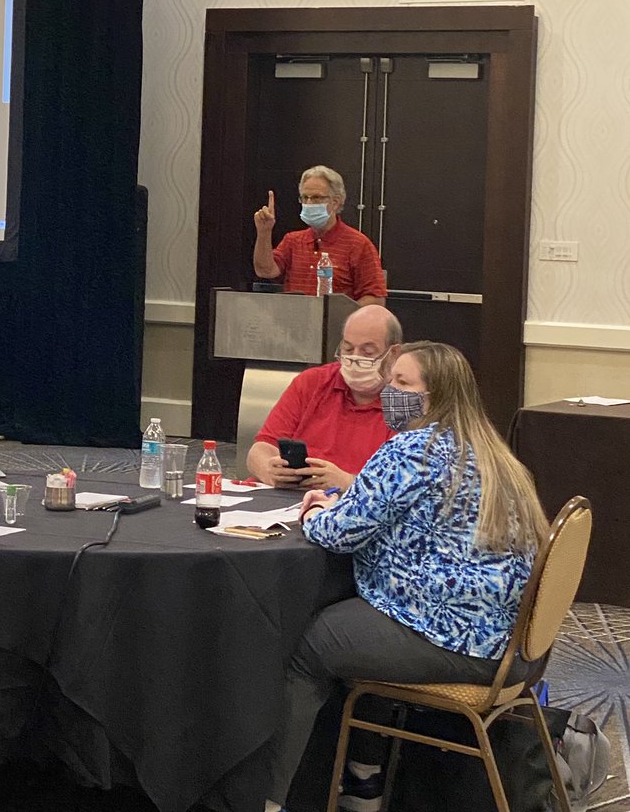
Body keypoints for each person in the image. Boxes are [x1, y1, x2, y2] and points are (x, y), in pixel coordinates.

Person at [263, 342, 550, 812]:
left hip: (462, 644)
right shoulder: (491, 452)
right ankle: (364, 782)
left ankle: (271, 798)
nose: (387, 390)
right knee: (360, 622)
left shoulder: (414, 449)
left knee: (311, 643)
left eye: (401, 383)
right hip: (513, 644)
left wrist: (315, 509)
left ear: (436, 396)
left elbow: (338, 533)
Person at [246, 306, 402, 489]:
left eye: (367, 352)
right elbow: (259, 450)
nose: (355, 358)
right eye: (348, 349)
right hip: (287, 496)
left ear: (393, 354)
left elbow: (404, 487)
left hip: (352, 501)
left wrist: (349, 483)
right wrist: (270, 471)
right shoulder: (312, 383)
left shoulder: (406, 402)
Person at [253, 166, 387, 302]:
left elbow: (375, 299)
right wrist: (264, 231)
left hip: (337, 316)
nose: (309, 203)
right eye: (305, 198)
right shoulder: (292, 241)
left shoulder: (358, 244)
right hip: (296, 314)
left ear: (335, 202)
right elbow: (265, 271)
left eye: (316, 198)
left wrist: (342, 313)